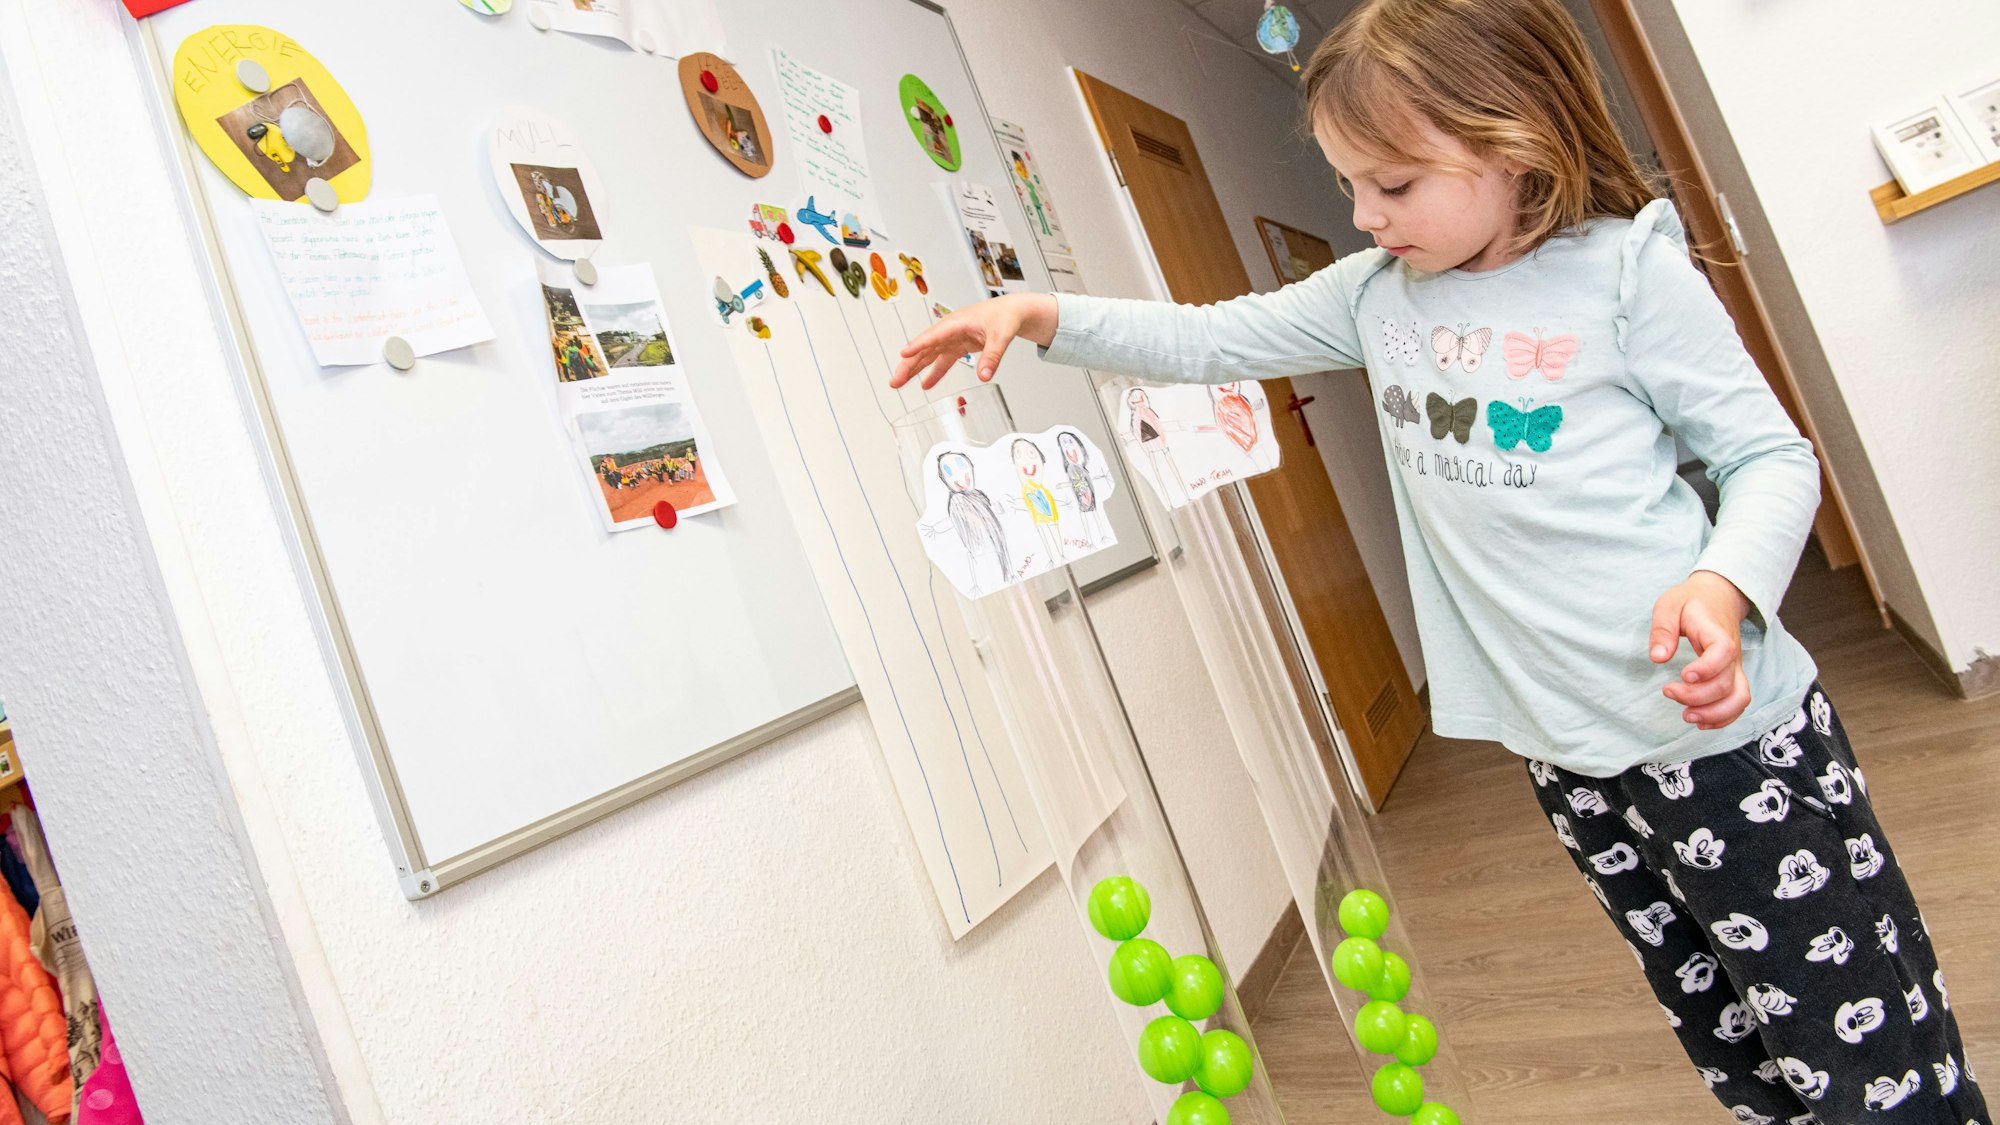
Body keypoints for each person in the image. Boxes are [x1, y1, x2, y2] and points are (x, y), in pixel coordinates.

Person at [888, 2, 1987, 1121]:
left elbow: (1766, 457)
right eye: (1348, 185)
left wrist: (1720, 583)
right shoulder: (1374, 301)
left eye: (1394, 185)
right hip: (1566, 754)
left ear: (1511, 141)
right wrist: (1038, 314)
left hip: (1721, 742)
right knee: (1730, 1041)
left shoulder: (1624, 272)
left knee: (1857, 1040)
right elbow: (1209, 338)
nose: (1363, 217)